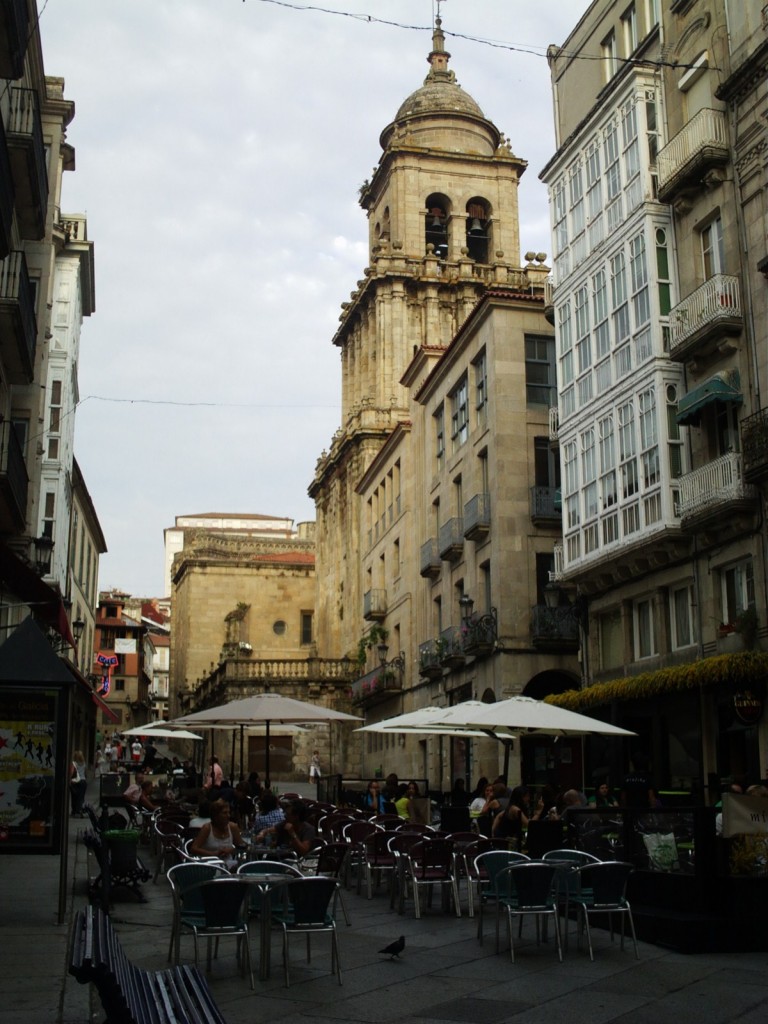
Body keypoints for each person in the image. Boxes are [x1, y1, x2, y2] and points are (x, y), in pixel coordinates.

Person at [190, 798, 244, 866]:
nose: (228, 816)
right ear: (215, 816)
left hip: (228, 863)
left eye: (229, 812)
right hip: (210, 864)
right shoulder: (207, 828)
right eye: (224, 813)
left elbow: (242, 846)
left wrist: (231, 850)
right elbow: (194, 849)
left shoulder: (233, 827)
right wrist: (213, 854)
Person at [70, 751, 88, 816]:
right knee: (81, 797)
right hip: (83, 781)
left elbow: (71, 772)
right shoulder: (84, 763)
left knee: (74, 797)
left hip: (75, 782)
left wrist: (69, 779)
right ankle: (80, 810)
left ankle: (74, 811)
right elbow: (85, 773)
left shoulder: (74, 763)